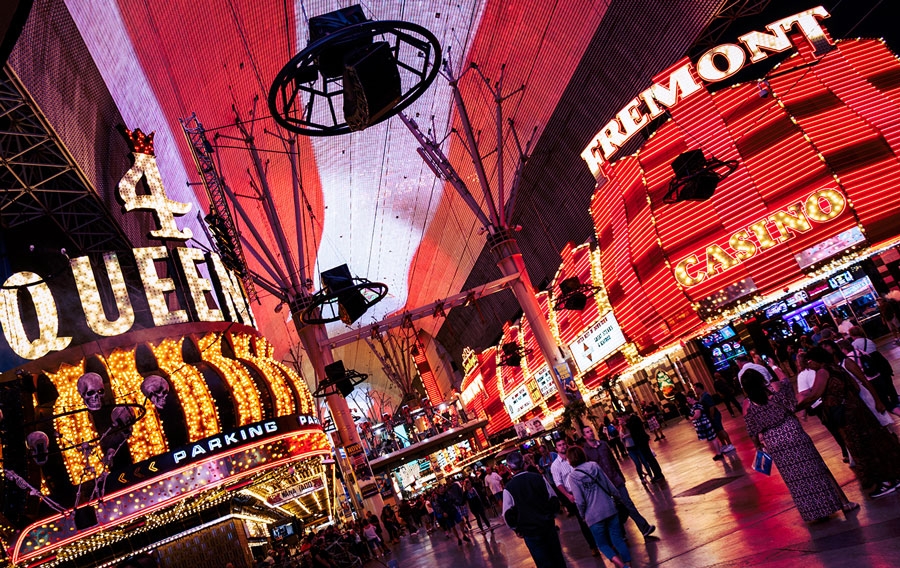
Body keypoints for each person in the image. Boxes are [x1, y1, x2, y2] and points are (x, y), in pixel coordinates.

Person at [742, 368, 857, 521]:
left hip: (774, 442)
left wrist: (758, 446)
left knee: (796, 480)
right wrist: (776, 368)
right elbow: (789, 395)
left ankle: (814, 513)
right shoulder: (773, 389)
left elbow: (752, 430)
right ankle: (843, 503)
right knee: (818, 469)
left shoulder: (747, 405)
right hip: (792, 432)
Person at [799, 347, 900, 498]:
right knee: (874, 442)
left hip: (846, 416)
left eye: (810, 361)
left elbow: (815, 395)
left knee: (860, 447)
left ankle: (882, 483)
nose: (809, 364)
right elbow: (856, 386)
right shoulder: (837, 368)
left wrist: (797, 407)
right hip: (859, 410)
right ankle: (893, 476)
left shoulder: (823, 372)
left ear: (816, 360)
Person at [581, 425, 655, 537]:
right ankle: (620, 534)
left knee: (628, 503)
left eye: (591, 431)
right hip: (604, 486)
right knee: (614, 510)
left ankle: (644, 528)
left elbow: (613, 461)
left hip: (616, 480)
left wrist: (620, 475)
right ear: (584, 436)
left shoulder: (603, 444)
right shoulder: (586, 451)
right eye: (587, 432)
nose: (590, 433)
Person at [566, 445, 632, 568]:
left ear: (570, 460)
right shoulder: (594, 466)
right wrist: (617, 498)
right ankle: (629, 564)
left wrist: (582, 515)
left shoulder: (573, 477)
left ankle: (622, 566)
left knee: (602, 544)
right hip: (609, 509)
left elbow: (580, 501)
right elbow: (609, 486)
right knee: (618, 539)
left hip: (593, 516)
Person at [502, 451, 566, 568]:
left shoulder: (509, 488)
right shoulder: (538, 478)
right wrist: (551, 516)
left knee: (543, 563)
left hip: (530, 531)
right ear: (523, 463)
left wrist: (517, 529)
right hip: (548, 526)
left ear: (509, 467)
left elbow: (507, 514)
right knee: (557, 559)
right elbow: (554, 500)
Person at [795, 350, 852, 465]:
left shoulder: (804, 375)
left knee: (835, 429)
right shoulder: (825, 369)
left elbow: (805, 394)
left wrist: (801, 410)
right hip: (837, 401)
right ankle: (851, 450)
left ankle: (846, 451)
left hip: (821, 406)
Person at [550, 438, 601, 557]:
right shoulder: (555, 466)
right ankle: (593, 546)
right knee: (583, 520)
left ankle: (603, 541)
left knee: (596, 515)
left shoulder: (573, 458)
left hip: (586, 490)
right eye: (559, 445)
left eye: (563, 444)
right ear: (556, 448)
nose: (562, 447)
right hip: (573, 494)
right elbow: (558, 483)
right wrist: (568, 496)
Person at [848, 326, 900, 416]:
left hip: (870, 363)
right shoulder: (868, 340)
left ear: (852, 335)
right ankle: (894, 399)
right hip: (880, 361)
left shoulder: (854, 344)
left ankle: (889, 405)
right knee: (888, 381)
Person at [694, 382, 735, 453]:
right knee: (717, 431)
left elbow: (711, 406)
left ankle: (730, 444)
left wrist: (712, 416)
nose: (695, 390)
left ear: (699, 388)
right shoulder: (701, 397)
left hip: (714, 415)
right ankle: (724, 444)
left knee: (720, 430)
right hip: (710, 416)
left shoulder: (706, 395)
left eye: (695, 388)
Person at [624, 412, 664, 481]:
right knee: (649, 458)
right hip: (642, 441)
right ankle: (657, 474)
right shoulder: (634, 419)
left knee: (649, 458)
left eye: (623, 417)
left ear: (626, 415)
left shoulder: (634, 419)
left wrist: (625, 424)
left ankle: (658, 474)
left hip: (641, 441)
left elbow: (633, 430)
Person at [686, 392, 723, 461]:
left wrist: (692, 418)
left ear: (692, 398)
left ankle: (719, 453)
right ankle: (719, 452)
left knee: (713, 439)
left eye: (688, 399)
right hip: (704, 424)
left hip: (704, 424)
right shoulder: (696, 405)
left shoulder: (696, 405)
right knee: (712, 439)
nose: (687, 401)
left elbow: (697, 415)